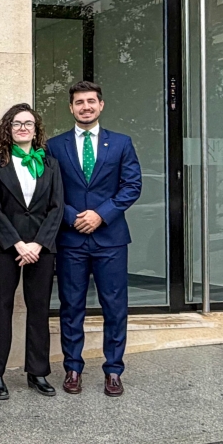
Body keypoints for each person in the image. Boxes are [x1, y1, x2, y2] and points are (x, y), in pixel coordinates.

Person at [45, 81, 142, 397]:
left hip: (110, 239)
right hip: (71, 240)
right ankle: (72, 368)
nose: (85, 107)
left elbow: (132, 186)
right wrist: (73, 216)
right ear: (71, 108)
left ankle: (114, 370)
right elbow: (50, 190)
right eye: (78, 102)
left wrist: (101, 214)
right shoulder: (54, 146)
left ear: (101, 105)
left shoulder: (121, 143)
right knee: (71, 306)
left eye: (90, 101)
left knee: (115, 306)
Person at [0, 103, 64, 399]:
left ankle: (38, 372)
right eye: (17, 124)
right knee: (1, 308)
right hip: (7, 247)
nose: (23, 128)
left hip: (42, 248)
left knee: (39, 309)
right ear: (8, 128)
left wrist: (38, 244)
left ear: (36, 129)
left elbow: (58, 207)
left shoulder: (50, 164)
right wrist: (17, 243)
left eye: (28, 123)